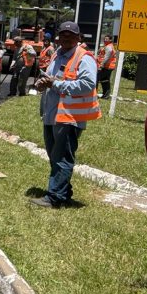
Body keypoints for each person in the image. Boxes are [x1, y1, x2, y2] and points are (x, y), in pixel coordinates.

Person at [33, 21, 101, 208]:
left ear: (78, 37)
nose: (66, 37)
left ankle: (55, 198)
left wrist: (55, 84)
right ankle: (63, 192)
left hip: (69, 117)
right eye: (63, 34)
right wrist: (42, 83)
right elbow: (49, 78)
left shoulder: (84, 58)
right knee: (54, 156)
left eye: (71, 35)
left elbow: (87, 84)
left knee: (62, 158)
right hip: (51, 114)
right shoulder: (56, 54)